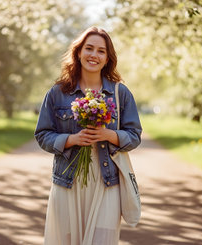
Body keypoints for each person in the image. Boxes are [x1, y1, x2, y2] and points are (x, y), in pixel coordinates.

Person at [34, 26, 142, 245]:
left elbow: (134, 135)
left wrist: (109, 134)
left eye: (101, 51)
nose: (94, 55)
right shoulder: (58, 93)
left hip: (106, 183)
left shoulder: (121, 93)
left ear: (107, 58)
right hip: (67, 183)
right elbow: (42, 134)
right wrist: (71, 140)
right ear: (78, 52)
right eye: (89, 48)